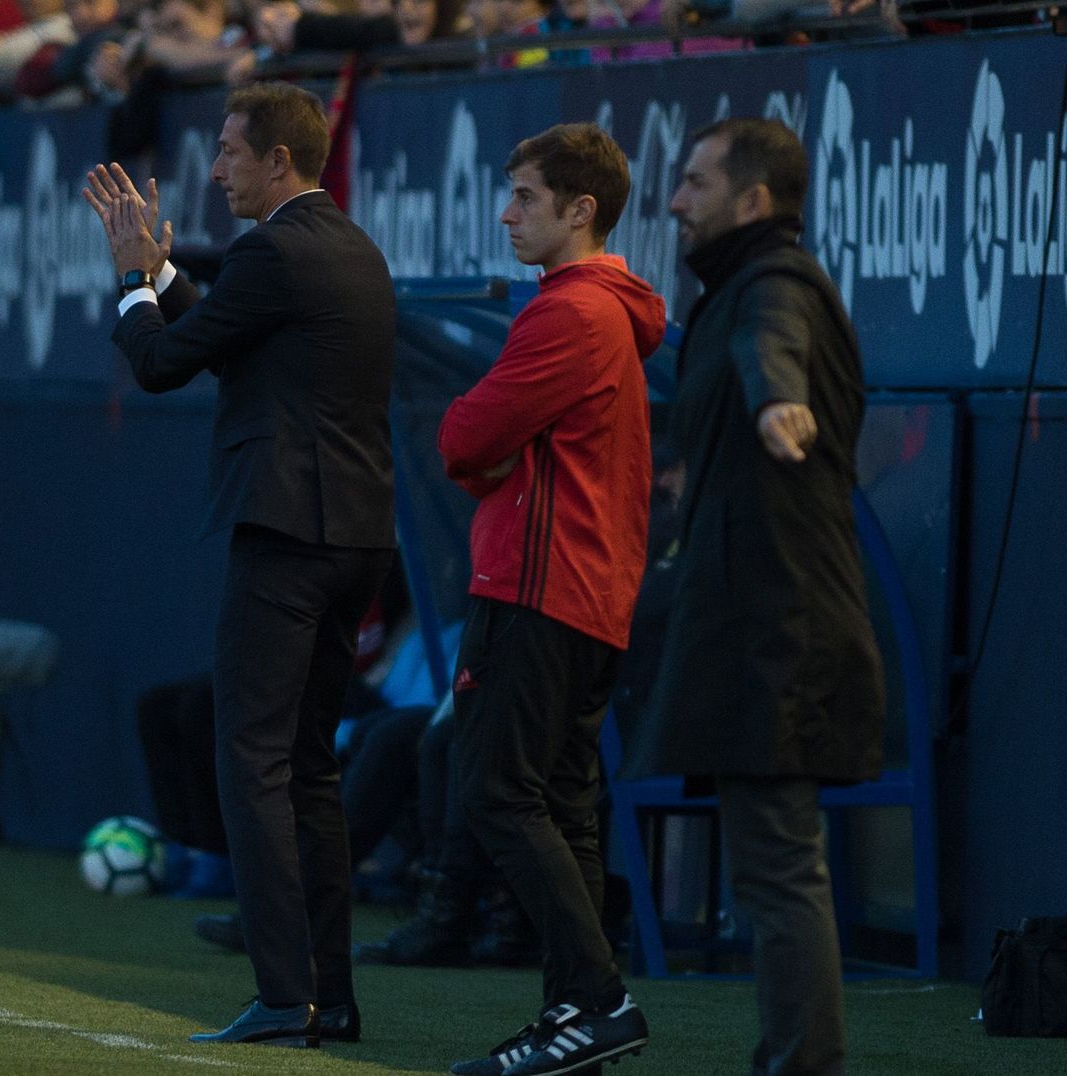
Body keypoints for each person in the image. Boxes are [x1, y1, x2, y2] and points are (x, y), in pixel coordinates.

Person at [82, 81, 396, 1049]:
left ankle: (280, 990)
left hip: (286, 535)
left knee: (251, 759)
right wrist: (170, 274)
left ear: (278, 161)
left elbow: (165, 361)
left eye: (226, 152)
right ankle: (327, 994)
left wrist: (134, 279)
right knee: (305, 769)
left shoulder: (275, 252)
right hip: (354, 540)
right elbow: (223, 335)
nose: (213, 170)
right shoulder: (344, 246)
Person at [631, 117, 886, 1076]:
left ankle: (801, 1063)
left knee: (780, 870)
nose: (674, 200)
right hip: (757, 620)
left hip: (783, 628)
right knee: (773, 869)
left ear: (752, 200)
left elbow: (771, 352)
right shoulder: (740, 287)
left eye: (693, 182)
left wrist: (781, 398)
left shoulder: (775, 286)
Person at [437, 122, 663, 1076]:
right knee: (561, 805)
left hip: (539, 589)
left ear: (582, 210)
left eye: (525, 196)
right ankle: (578, 1020)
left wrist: (488, 463)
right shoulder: (607, 311)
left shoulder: (572, 312)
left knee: (497, 792)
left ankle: (597, 1000)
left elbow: (464, 434)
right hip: (586, 595)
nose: (505, 213)